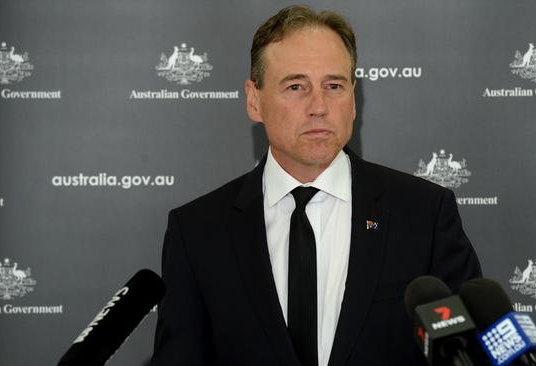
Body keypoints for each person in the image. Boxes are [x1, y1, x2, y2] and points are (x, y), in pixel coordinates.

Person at [151, 5, 481, 366]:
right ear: (254, 100)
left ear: (354, 99)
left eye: (334, 86)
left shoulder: (424, 215)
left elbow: (469, 352)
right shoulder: (198, 231)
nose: (319, 106)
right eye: (296, 86)